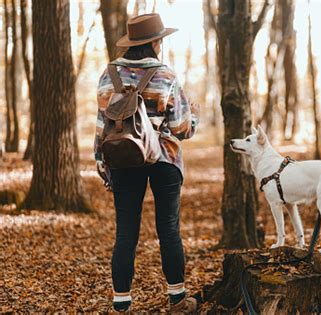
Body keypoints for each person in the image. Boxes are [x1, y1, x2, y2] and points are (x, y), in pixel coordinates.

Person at [94, 13, 200, 313]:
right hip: (164, 158)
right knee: (168, 229)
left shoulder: (108, 75)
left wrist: (102, 161)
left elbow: (103, 124)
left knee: (126, 231)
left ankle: (122, 303)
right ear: (154, 42)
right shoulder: (165, 76)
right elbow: (182, 129)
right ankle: (178, 299)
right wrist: (195, 115)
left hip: (123, 157)